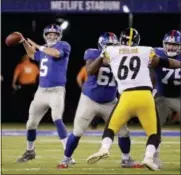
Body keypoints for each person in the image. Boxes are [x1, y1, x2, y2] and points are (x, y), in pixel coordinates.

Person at [86, 29, 181, 171]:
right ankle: (148, 158)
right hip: (145, 96)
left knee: (111, 128)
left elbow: (95, 67)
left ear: (120, 41)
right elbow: (164, 62)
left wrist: (102, 54)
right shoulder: (145, 50)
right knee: (154, 133)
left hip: (126, 97)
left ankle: (104, 147)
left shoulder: (112, 51)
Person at [58, 32, 142, 169]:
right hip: (89, 100)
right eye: (107, 46)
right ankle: (65, 159)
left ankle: (126, 159)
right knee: (77, 132)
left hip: (111, 101)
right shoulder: (92, 53)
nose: (110, 48)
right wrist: (103, 56)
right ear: (101, 46)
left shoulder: (121, 57)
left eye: (112, 46)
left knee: (123, 132)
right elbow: (90, 71)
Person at [15, 24, 73, 163]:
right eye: (49, 34)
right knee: (30, 124)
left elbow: (55, 53)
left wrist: (37, 45)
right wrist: (23, 42)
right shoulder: (43, 50)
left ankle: (68, 155)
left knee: (57, 119)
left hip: (56, 91)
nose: (52, 36)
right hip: (41, 91)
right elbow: (32, 54)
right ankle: (30, 151)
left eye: (55, 34)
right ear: (45, 35)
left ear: (59, 36)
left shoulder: (63, 45)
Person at [153, 30, 181, 166]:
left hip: (179, 96)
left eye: (174, 45)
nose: (170, 47)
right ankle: (154, 156)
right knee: (155, 127)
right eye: (168, 44)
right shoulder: (156, 53)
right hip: (162, 96)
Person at [12, 54, 39, 120]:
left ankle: (24, 118)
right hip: (32, 87)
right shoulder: (34, 66)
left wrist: (13, 84)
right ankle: (30, 118)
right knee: (30, 102)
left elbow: (15, 75)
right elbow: (40, 75)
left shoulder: (20, 66)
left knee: (23, 103)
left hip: (24, 87)